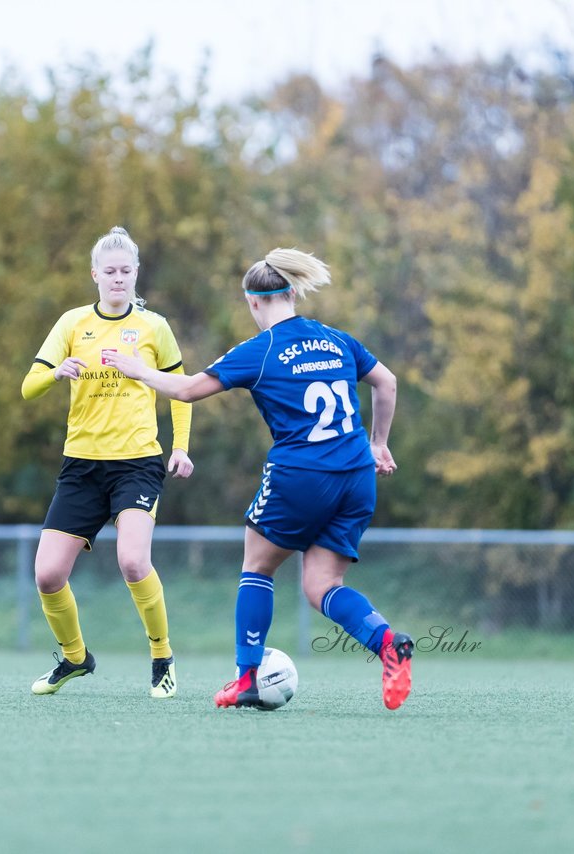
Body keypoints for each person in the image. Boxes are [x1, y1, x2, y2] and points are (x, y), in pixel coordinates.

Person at [105, 247, 414, 710]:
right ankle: (387, 642)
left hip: (302, 475)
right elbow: (386, 382)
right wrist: (378, 444)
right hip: (356, 475)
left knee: (258, 567)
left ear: (253, 302)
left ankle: (247, 676)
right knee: (322, 586)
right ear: (292, 292)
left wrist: (137, 369)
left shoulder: (261, 350)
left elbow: (188, 390)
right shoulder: (336, 339)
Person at [21, 226, 194, 698]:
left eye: (126, 271)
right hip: (81, 465)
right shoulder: (73, 323)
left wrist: (180, 445)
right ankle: (76, 658)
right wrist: (55, 373)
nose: (118, 278)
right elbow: (28, 386)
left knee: (134, 562)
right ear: (95, 274)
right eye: (109, 271)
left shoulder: (154, 327)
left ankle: (162, 656)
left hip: (137, 462)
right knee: (48, 574)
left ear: (135, 274)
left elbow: (180, 390)